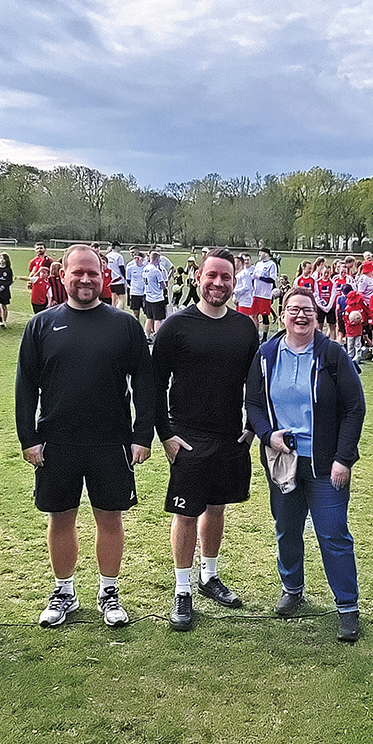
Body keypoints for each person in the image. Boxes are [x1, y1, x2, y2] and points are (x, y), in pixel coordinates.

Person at [16, 245, 155, 629]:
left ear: (104, 277)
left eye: (93, 273)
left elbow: (145, 382)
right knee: (61, 519)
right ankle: (64, 592)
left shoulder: (124, 324)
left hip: (111, 442)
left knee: (109, 519)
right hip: (57, 442)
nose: (86, 280)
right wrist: (28, 437)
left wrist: (142, 434)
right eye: (77, 273)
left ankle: (109, 591)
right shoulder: (42, 325)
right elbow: (26, 385)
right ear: (63, 276)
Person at [246, 288, 366, 642]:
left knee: (333, 534)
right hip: (282, 459)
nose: (300, 316)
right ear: (282, 314)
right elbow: (252, 402)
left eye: (307, 310)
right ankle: (292, 589)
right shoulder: (266, 354)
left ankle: (347, 607)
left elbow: (354, 408)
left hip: (326, 464)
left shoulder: (332, 354)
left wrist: (344, 457)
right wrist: (267, 435)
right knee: (287, 528)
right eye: (293, 309)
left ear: (318, 315)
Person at [152, 249, 261, 631]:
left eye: (226, 277)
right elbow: (152, 384)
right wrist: (165, 434)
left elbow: (256, 384)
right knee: (186, 512)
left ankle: (208, 576)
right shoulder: (176, 326)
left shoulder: (245, 327)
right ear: (198, 277)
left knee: (217, 508)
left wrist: (251, 428)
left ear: (235, 281)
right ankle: (182, 590)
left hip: (230, 435)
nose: (218, 283)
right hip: (188, 436)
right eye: (212, 275)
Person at [250, 248, 278, 341]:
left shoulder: (272, 264)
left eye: (260, 254)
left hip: (265, 294)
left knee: (264, 315)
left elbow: (272, 279)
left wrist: (260, 277)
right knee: (253, 314)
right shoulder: (258, 264)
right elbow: (253, 276)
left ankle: (265, 337)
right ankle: (256, 333)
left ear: (266, 254)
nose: (259, 256)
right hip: (256, 293)